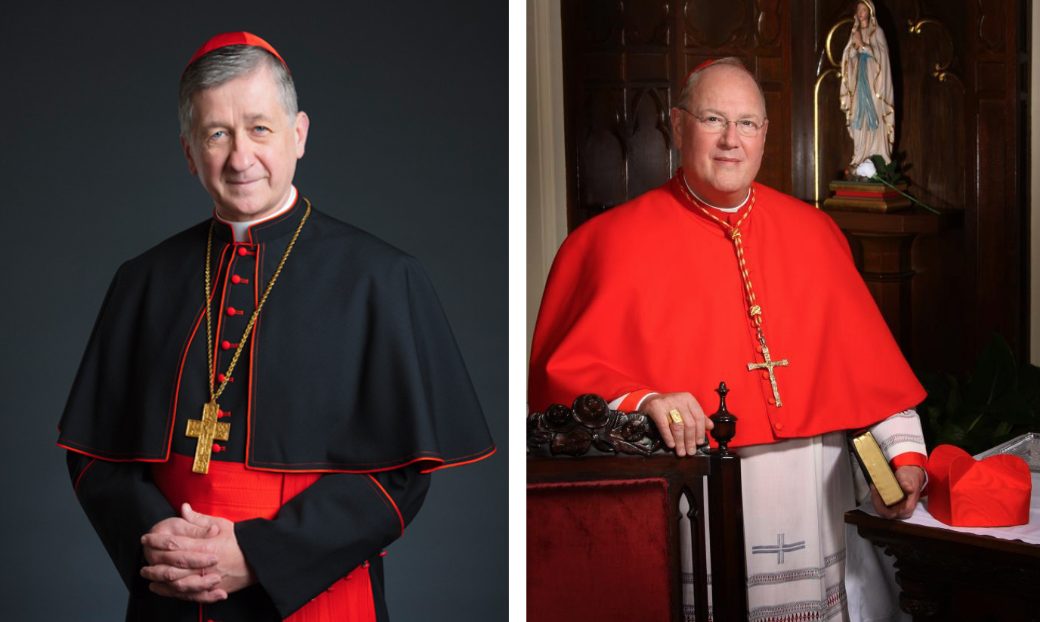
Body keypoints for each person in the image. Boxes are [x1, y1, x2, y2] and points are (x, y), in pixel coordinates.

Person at [58, 32, 494, 622]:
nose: (240, 158)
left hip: (321, 595)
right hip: (173, 594)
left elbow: (401, 474)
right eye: (217, 134)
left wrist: (261, 554)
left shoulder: (381, 277)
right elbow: (94, 453)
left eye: (259, 128)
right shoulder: (143, 280)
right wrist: (160, 543)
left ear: (299, 134)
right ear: (189, 152)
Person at [529, 58, 926, 620]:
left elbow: (869, 372)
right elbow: (561, 383)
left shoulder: (816, 235)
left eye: (747, 124)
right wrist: (646, 400)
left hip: (815, 491)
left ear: (765, 134)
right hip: (696, 497)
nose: (730, 141)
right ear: (677, 125)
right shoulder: (608, 243)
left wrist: (905, 457)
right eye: (713, 119)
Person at [840, 0, 895, 169]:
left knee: (875, 116)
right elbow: (847, 57)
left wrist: (863, 46)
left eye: (864, 9)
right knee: (857, 116)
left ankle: (878, 158)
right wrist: (853, 50)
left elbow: (882, 57)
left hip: (874, 85)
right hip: (858, 82)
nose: (861, 13)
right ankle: (860, 156)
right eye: (859, 10)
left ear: (870, 12)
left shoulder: (877, 32)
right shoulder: (854, 33)